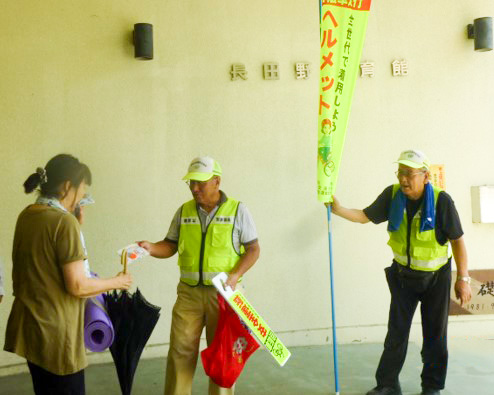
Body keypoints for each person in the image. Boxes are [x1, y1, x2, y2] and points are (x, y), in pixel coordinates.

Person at [330, 149, 471, 395]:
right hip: (403, 278)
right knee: (396, 332)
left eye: (409, 174)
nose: (403, 179)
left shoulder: (441, 201)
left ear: (425, 176)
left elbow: (458, 241)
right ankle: (387, 385)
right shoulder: (392, 195)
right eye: (400, 173)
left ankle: (432, 387)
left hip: (436, 278)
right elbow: (364, 216)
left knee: (435, 335)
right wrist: (338, 210)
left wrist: (463, 278)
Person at [4, 154, 133, 395]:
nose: (83, 194)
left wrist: (76, 227)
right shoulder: (64, 224)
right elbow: (77, 285)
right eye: (82, 187)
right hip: (56, 333)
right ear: (66, 186)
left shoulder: (29, 214)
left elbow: (45, 261)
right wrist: (117, 282)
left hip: (31, 327)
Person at [138, 156, 260, 395]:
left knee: (222, 354)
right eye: (191, 183)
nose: (194, 188)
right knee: (180, 352)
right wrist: (151, 248)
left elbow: (254, 249)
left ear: (216, 181)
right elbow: (170, 245)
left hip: (224, 295)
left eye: (200, 183)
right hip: (189, 295)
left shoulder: (238, 210)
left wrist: (235, 276)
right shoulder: (183, 211)